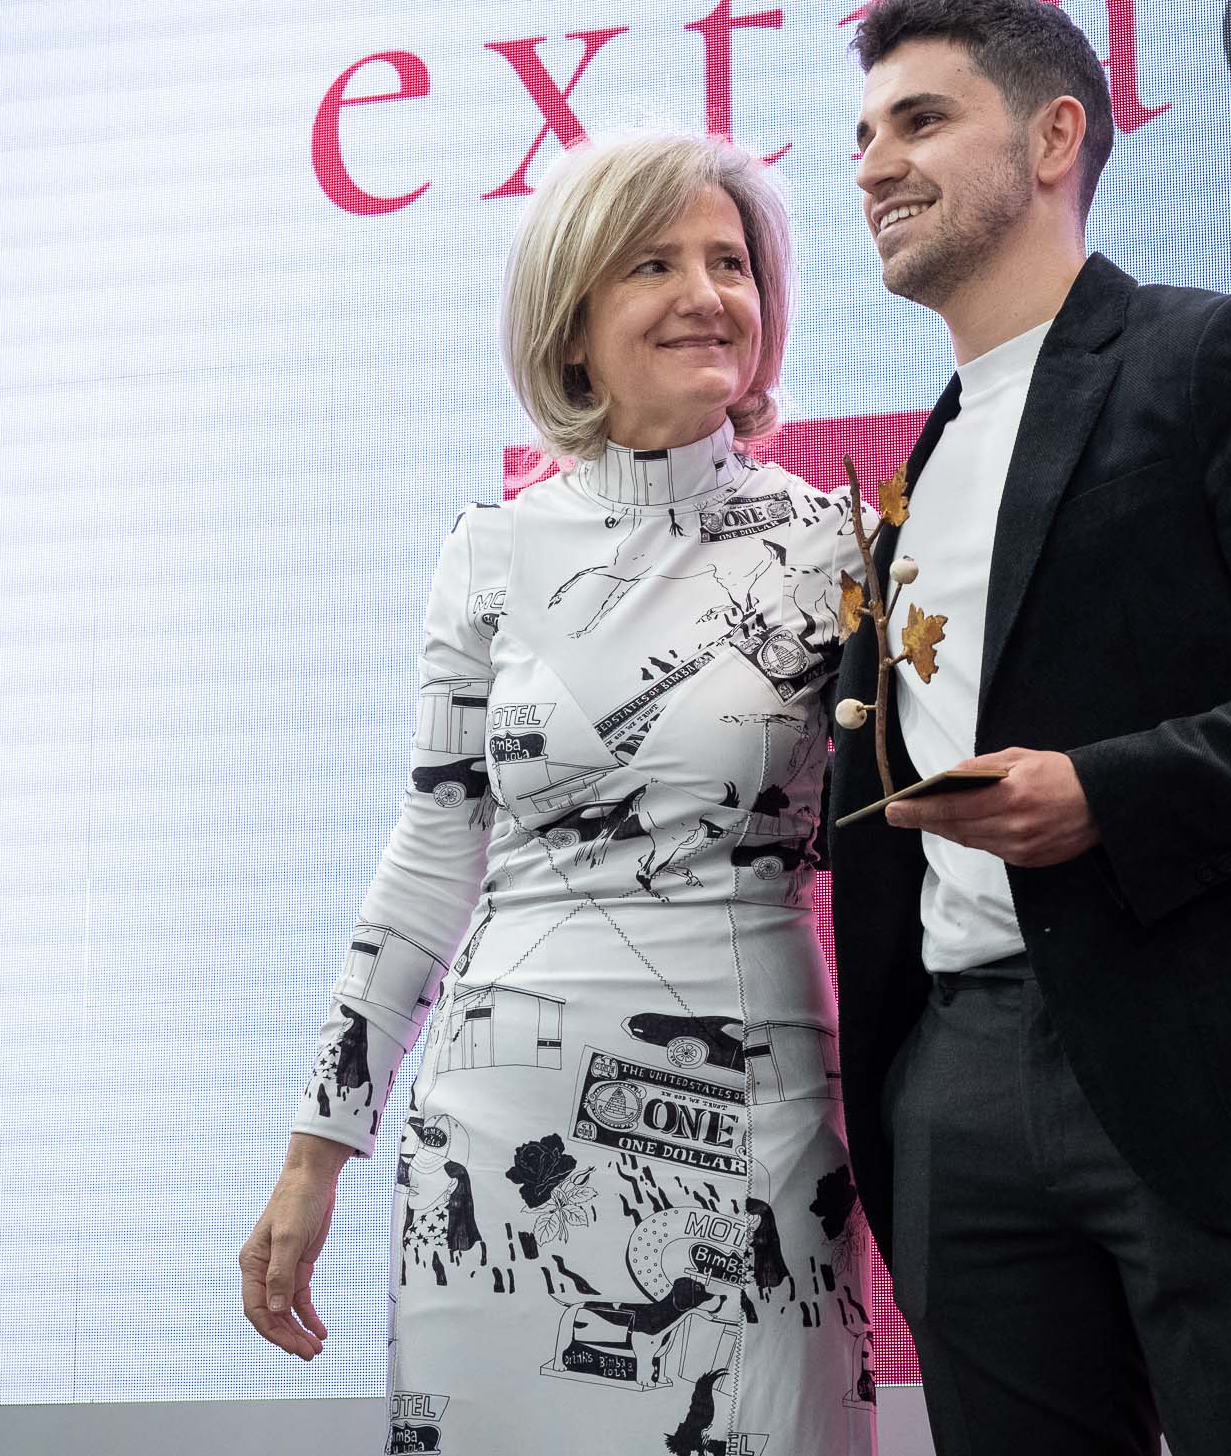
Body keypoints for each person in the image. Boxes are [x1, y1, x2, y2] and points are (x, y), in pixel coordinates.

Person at [826, 0, 1231, 1456]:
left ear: (1055, 135)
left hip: (1212, 1061)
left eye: (920, 120)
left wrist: (1104, 793)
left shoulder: (1215, 355)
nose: (870, 164)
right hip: (956, 1080)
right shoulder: (908, 472)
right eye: (860, 133)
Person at [241, 132, 873, 1455]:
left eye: (730, 261)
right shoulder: (489, 550)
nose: (708, 292)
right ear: (570, 323)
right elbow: (430, 852)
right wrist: (316, 1154)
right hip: (498, 1132)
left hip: (748, 1118)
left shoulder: (836, 548)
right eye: (656, 262)